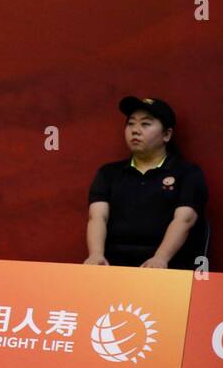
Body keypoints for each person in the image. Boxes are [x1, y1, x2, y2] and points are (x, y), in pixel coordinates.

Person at [84, 96, 209, 270]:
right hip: (114, 266)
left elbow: (185, 220)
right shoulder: (108, 173)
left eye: (145, 124)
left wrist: (160, 259)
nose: (135, 130)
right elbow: (97, 217)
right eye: (131, 124)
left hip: (169, 268)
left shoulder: (187, 173)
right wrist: (96, 254)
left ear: (167, 134)